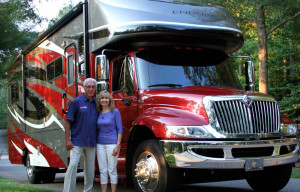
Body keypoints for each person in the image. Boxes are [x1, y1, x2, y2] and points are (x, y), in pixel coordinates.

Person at [63, 78, 98, 192]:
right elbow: (68, 121)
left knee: (90, 171)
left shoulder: (97, 103)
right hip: (77, 141)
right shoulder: (77, 102)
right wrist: (67, 139)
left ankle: (88, 190)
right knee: (73, 166)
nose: (91, 89)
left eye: (93, 87)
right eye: (89, 86)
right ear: (84, 88)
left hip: (91, 142)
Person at [96, 90, 123, 192]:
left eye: (106, 98)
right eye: (102, 98)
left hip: (112, 143)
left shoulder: (115, 111)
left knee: (112, 169)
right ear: (99, 100)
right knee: (102, 170)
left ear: (110, 100)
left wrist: (118, 145)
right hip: (100, 144)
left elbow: (120, 129)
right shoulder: (98, 112)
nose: (104, 100)